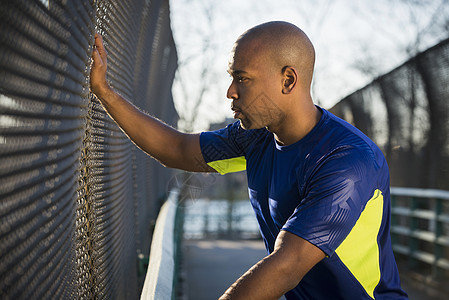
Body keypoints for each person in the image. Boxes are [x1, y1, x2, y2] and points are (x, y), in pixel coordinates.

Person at [90, 21, 408, 300]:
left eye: (242, 78)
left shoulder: (349, 160)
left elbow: (286, 265)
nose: (230, 91)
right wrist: (104, 92)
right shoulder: (256, 136)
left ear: (288, 81)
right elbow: (176, 148)